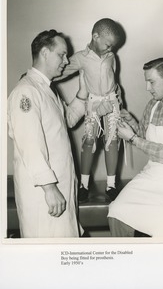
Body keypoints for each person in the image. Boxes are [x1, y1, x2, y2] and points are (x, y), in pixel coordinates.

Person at [7, 29, 112, 238]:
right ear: (45, 53)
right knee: (46, 258)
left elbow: (68, 120)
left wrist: (83, 90)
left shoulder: (47, 89)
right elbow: (30, 146)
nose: (66, 60)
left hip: (60, 188)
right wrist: (49, 188)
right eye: (61, 54)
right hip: (44, 194)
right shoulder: (26, 91)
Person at [108, 57, 163, 237]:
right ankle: (126, 261)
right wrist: (131, 122)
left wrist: (132, 138)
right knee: (116, 212)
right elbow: (144, 136)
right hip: (151, 174)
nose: (147, 88)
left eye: (151, 82)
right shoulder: (153, 105)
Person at [56, 18, 124, 203]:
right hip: (93, 103)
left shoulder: (111, 57)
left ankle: (111, 185)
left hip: (111, 102)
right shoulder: (81, 58)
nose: (111, 49)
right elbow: (60, 70)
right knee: (89, 142)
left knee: (112, 142)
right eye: (108, 45)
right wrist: (44, 79)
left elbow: (114, 80)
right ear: (95, 36)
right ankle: (83, 185)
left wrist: (119, 102)